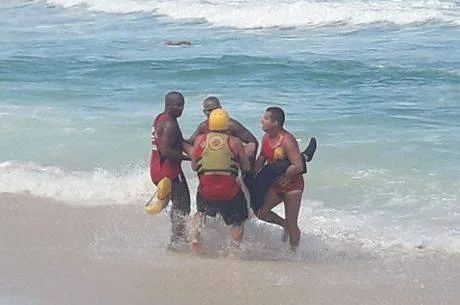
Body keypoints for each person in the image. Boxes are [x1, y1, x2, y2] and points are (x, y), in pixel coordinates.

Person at [190, 108, 251, 255]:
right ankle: (234, 249)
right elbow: (246, 167)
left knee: (200, 212)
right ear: (227, 125)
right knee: (239, 219)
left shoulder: (199, 140)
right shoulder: (235, 142)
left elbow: (193, 167)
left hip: (206, 190)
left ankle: (195, 237)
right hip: (229, 191)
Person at [255, 107, 306, 251]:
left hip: (292, 186)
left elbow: (298, 166)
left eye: (265, 118)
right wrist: (252, 173)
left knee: (292, 223)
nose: (262, 120)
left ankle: (294, 253)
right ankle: (283, 225)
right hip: (275, 185)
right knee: (261, 213)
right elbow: (261, 158)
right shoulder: (266, 137)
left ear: (275, 122)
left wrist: (285, 177)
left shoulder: (287, 140)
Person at [146, 91, 193, 246]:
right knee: (183, 205)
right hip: (168, 171)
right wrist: (190, 158)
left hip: (157, 168)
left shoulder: (161, 117)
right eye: (177, 105)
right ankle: (177, 240)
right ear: (168, 105)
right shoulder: (170, 124)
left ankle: (178, 236)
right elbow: (166, 151)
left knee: (178, 204)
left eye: (182, 105)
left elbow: (177, 142)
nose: (181, 109)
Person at [185, 96, 258, 168]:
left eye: (215, 109)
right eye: (210, 110)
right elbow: (190, 142)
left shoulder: (232, 125)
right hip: (212, 161)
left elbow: (253, 142)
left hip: (231, 161)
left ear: (220, 108)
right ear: (204, 112)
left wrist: (249, 165)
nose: (213, 112)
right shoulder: (203, 126)